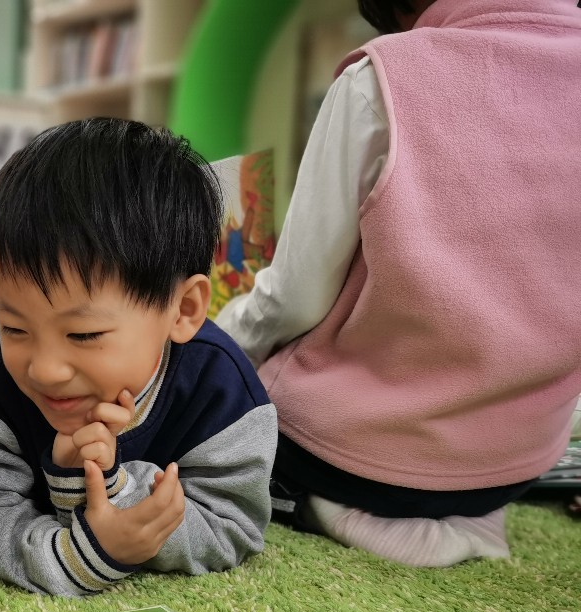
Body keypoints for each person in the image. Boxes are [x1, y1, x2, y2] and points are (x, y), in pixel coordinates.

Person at [215, 0, 581, 568]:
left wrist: (215, 346)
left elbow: (295, 299)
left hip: (347, 455)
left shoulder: (381, 77)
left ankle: (325, 507)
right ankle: (466, 520)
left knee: (201, 412)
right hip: (516, 464)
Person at [0, 118, 277, 596]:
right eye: (14, 327)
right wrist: (80, 556)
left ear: (183, 309)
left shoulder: (223, 394)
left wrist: (119, 494)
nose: (45, 369)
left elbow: (231, 525)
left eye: (84, 334)